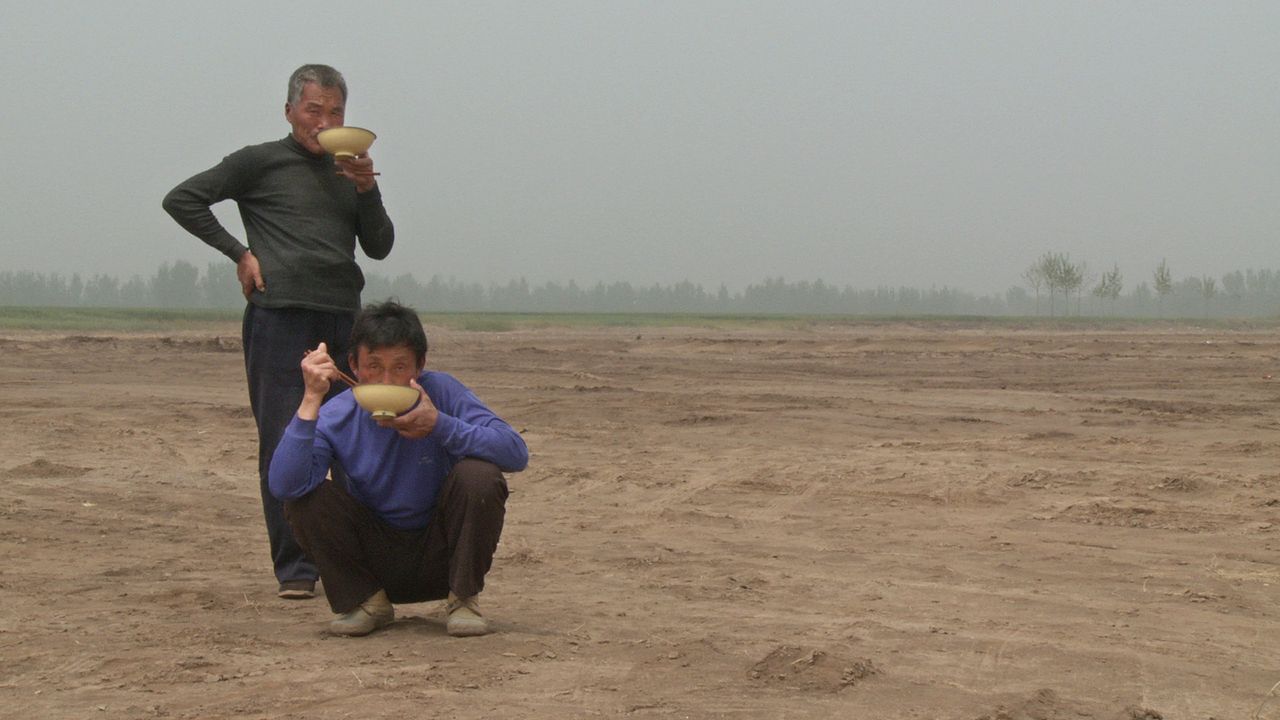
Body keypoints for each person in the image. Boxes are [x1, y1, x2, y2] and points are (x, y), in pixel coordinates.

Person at [162, 64, 395, 599]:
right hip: (280, 316)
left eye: (335, 112)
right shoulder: (258, 162)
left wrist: (367, 192)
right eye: (313, 110)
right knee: (286, 439)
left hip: (343, 317)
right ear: (289, 110)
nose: (324, 121)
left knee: (357, 436)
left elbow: (379, 246)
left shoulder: (349, 172)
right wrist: (239, 254)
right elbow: (182, 199)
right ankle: (296, 569)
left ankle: (359, 557)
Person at [268, 301, 528, 637]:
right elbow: (285, 486)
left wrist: (440, 425)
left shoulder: (443, 392)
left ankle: (463, 600)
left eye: (400, 367)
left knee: (480, 476)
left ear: (420, 366)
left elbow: (515, 452)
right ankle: (366, 603)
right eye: (373, 367)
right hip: (372, 562)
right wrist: (310, 399)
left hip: (443, 558)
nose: (386, 380)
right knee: (305, 497)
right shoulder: (339, 413)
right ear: (353, 366)